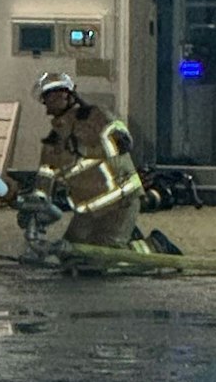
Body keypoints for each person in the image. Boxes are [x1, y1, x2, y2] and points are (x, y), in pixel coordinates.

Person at [18, 71, 143, 251]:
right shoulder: (52, 144)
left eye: (57, 93)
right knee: (71, 255)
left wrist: (87, 150)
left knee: (102, 257)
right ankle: (125, 235)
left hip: (120, 201)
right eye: (48, 96)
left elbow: (123, 141)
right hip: (88, 212)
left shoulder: (95, 116)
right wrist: (35, 205)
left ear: (69, 95)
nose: (53, 99)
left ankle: (155, 246)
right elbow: (44, 179)